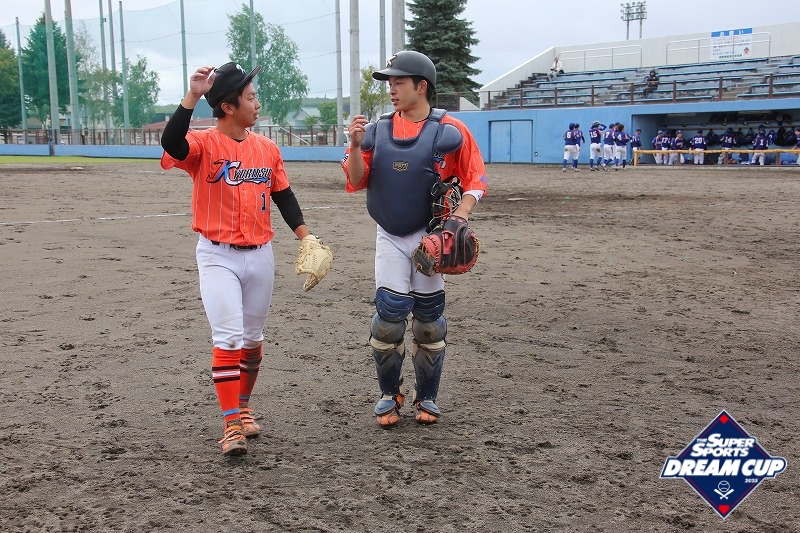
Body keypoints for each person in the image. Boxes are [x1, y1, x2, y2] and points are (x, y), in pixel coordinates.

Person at [160, 62, 331, 456]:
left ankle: (243, 405)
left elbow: (283, 195)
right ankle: (231, 424)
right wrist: (193, 95)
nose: (257, 104)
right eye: (251, 97)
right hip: (217, 255)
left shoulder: (267, 148)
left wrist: (306, 236)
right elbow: (171, 143)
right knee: (229, 338)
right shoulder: (202, 145)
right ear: (228, 107)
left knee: (252, 340)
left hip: (260, 256)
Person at [342, 50, 488, 428]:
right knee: (388, 319)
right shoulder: (377, 130)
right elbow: (356, 180)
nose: (391, 89)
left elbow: (475, 179)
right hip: (389, 234)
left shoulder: (449, 129)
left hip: (430, 237)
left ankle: (428, 396)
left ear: (421, 86)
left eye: (399, 82)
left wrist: (460, 215)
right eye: (390, 83)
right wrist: (355, 146)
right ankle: (390, 394)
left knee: (428, 322)